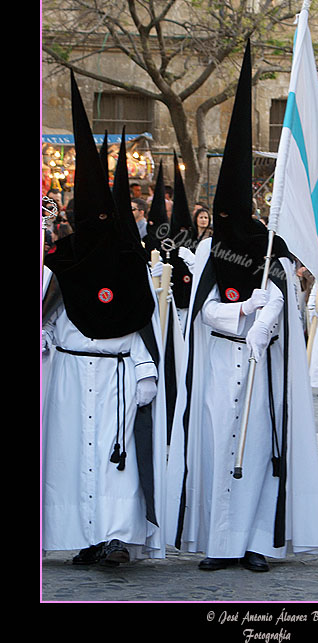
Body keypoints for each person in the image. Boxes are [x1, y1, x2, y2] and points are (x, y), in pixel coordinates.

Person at [164, 41, 318, 572]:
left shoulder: (268, 244)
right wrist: (239, 314)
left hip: (262, 367)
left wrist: (270, 312)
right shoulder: (214, 249)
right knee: (216, 449)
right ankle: (218, 544)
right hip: (219, 362)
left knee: (261, 448)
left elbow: (286, 286)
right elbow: (201, 307)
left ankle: (259, 540)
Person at [42, 72, 167, 567]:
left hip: (116, 374)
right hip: (71, 377)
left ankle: (117, 536)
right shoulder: (64, 263)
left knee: (118, 462)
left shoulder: (127, 265)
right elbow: (51, 309)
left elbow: (141, 324)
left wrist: (145, 371)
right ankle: (86, 537)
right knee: (74, 459)